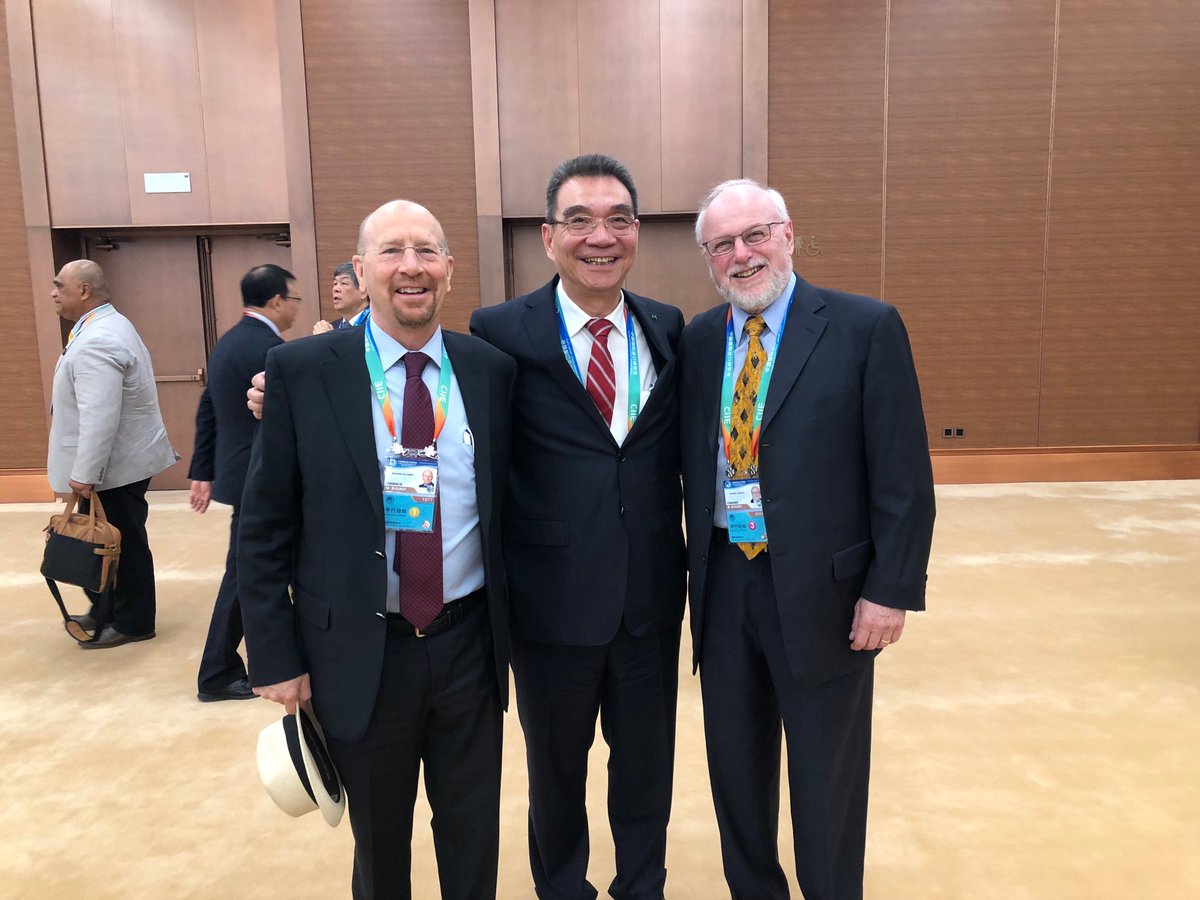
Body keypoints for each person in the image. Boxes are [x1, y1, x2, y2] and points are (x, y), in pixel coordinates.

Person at [237, 200, 515, 899]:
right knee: (380, 846)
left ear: (450, 269)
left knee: (473, 836)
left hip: (469, 646)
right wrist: (274, 654)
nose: (411, 267)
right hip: (361, 652)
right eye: (392, 251)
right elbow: (264, 527)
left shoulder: (490, 371)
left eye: (427, 251)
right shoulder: (302, 371)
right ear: (360, 272)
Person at [679, 179, 936, 899]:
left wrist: (889, 590)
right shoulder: (698, 340)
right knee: (736, 768)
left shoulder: (864, 327)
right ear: (708, 258)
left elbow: (903, 475)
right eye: (722, 244)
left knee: (827, 777)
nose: (741, 255)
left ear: (788, 235)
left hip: (829, 593)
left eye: (755, 235)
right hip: (725, 581)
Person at [469, 154, 686, 900]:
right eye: (580, 221)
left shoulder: (666, 325)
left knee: (647, 767)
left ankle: (642, 887)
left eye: (619, 220)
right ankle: (562, 888)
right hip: (550, 601)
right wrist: (288, 389)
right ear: (548, 236)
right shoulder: (499, 331)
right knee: (555, 771)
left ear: (636, 231)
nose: (602, 237)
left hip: (650, 598)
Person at [47, 259, 179, 648]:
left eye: (60, 286)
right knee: (104, 541)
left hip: (113, 467)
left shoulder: (99, 338)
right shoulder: (104, 325)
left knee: (122, 544)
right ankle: (106, 610)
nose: (53, 293)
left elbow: (100, 414)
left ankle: (133, 622)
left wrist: (85, 472)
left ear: (84, 291)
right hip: (118, 462)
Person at [187, 264, 299, 701]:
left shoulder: (229, 342)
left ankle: (226, 665)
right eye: (294, 299)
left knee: (246, 571)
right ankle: (216, 671)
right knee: (245, 576)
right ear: (277, 300)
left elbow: (207, 409)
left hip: (238, 473)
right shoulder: (270, 351)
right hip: (260, 478)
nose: (295, 309)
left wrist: (203, 470)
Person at [313, 260, 370, 334]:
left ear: (363, 291)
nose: (336, 289)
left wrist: (328, 339)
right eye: (335, 283)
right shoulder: (333, 327)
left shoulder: (376, 325)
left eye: (344, 283)